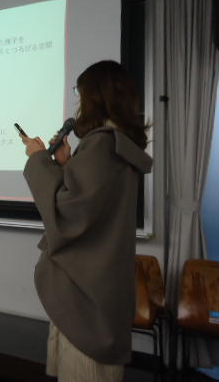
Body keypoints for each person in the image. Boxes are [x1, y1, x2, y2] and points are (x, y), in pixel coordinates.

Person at [20, 60, 152, 382]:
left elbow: (66, 212)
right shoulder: (120, 144)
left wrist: (38, 160)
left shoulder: (102, 144)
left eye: (80, 95)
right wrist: (66, 164)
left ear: (95, 96)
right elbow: (88, 204)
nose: (79, 105)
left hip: (84, 295)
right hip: (102, 285)